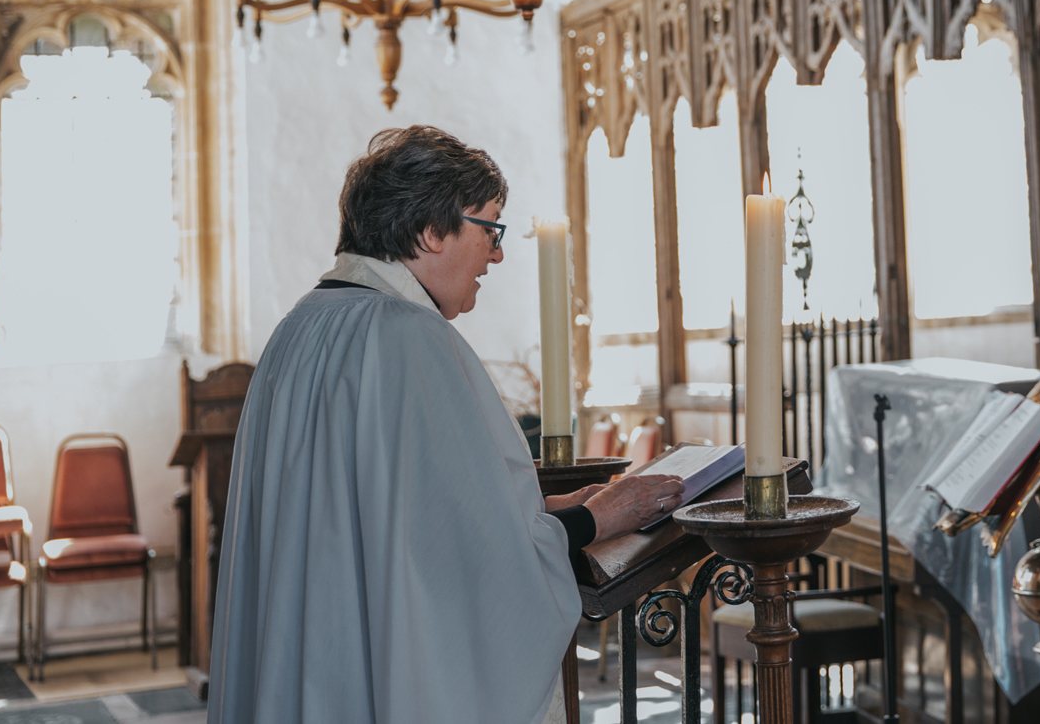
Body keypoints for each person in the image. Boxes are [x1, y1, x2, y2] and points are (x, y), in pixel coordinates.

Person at [208, 126, 684, 724]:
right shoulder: (406, 335)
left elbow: (395, 521)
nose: (497, 254)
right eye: (490, 227)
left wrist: (551, 510)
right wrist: (603, 518)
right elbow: (464, 563)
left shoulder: (300, 327)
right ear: (432, 231)